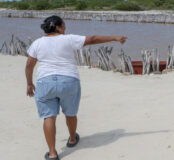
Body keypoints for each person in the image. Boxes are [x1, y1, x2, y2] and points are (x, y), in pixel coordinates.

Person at [25, 16, 127, 160]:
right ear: (58, 27)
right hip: (68, 80)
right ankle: (72, 139)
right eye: (64, 25)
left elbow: (29, 65)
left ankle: (53, 153)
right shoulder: (69, 39)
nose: (65, 27)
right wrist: (115, 38)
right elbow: (93, 39)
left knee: (49, 117)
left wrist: (29, 83)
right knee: (70, 113)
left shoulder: (37, 43)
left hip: (45, 82)